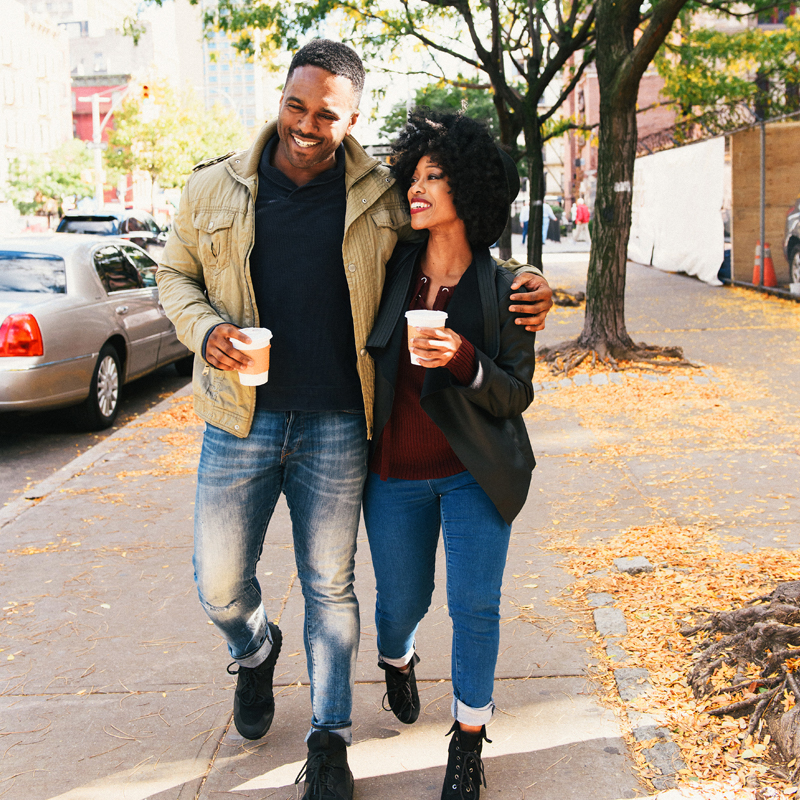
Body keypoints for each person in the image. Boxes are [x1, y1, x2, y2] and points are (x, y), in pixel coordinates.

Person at [156, 40, 553, 800]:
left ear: (353, 117)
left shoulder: (378, 194)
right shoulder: (213, 187)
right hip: (244, 417)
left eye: (327, 114)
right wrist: (205, 331)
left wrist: (524, 283)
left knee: (336, 589)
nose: (308, 124)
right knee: (220, 584)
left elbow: (460, 239)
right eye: (297, 106)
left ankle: (333, 736)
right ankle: (255, 648)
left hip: (346, 424)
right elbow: (174, 274)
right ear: (281, 98)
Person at [362, 109, 537, 800]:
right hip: (394, 475)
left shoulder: (507, 290)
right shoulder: (389, 265)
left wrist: (464, 360)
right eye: (415, 174)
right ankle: (396, 659)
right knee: (400, 602)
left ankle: (469, 738)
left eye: (436, 176)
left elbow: (516, 393)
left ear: (470, 188)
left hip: (475, 475)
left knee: (475, 607)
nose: (418, 186)